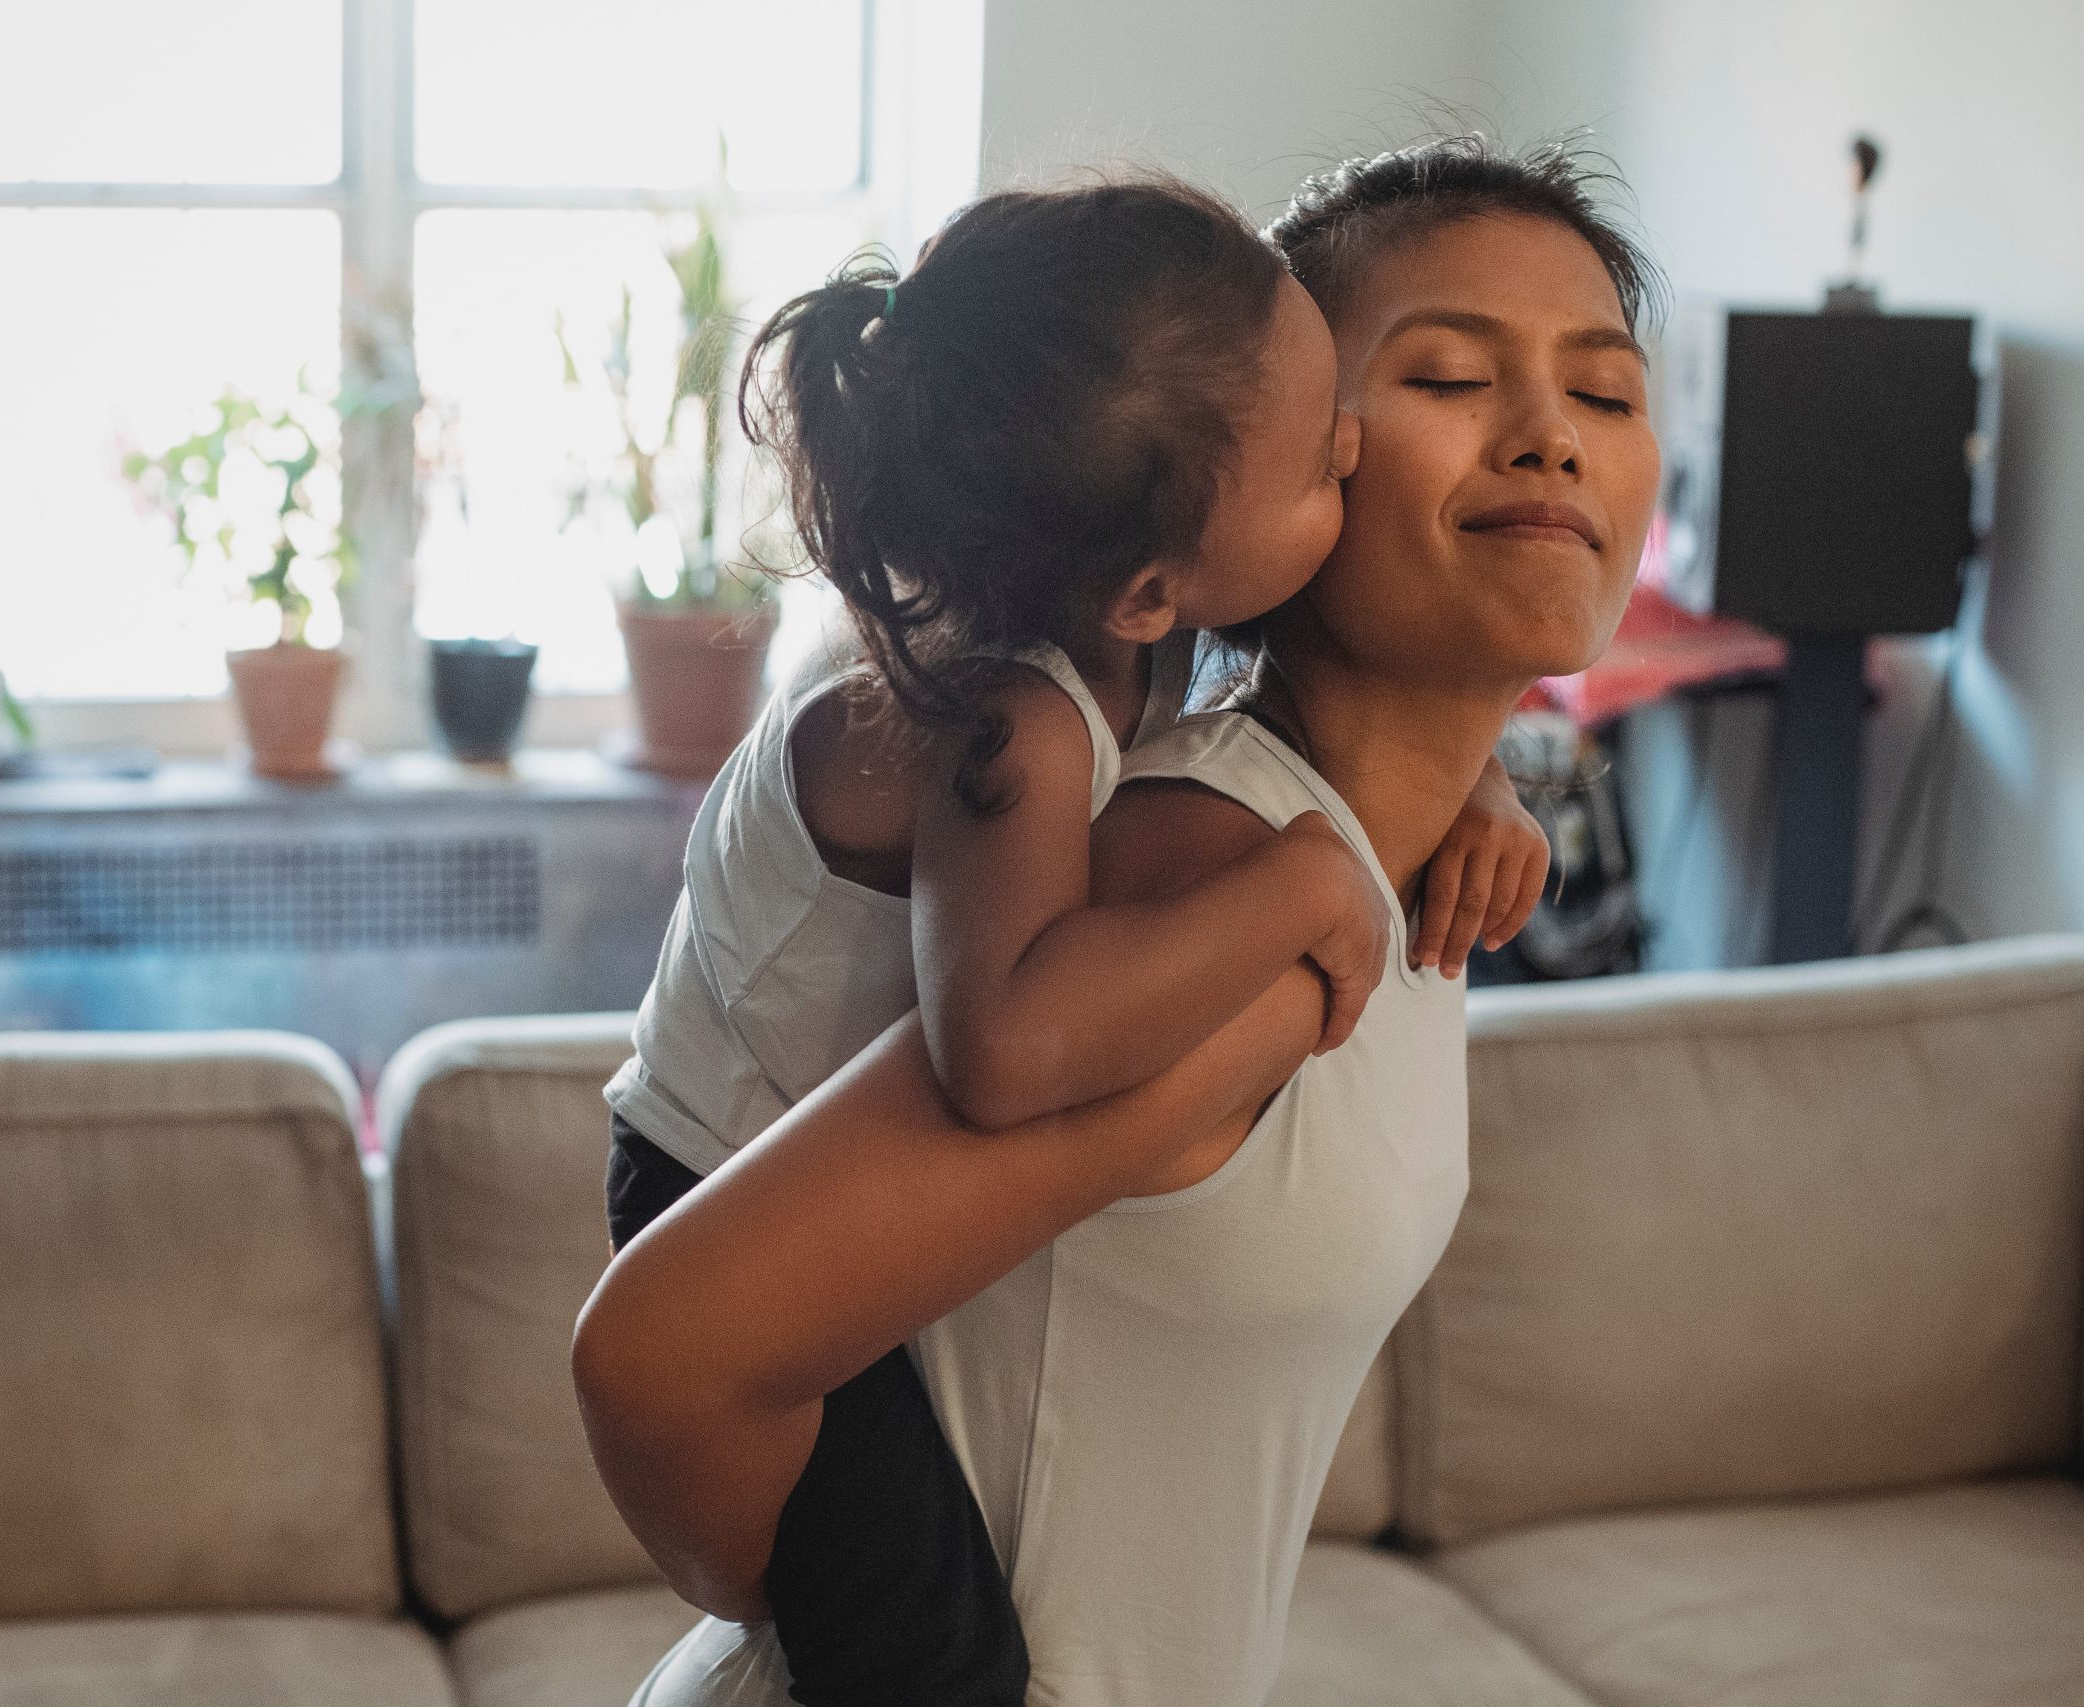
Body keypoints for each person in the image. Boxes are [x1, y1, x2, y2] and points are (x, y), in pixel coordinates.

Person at [577, 134, 1665, 1707]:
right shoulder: (1195, 895)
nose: (1554, 439)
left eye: (1610, 394)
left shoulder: (1347, 834)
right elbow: (664, 1357)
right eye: (1441, 379)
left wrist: (1467, 789)